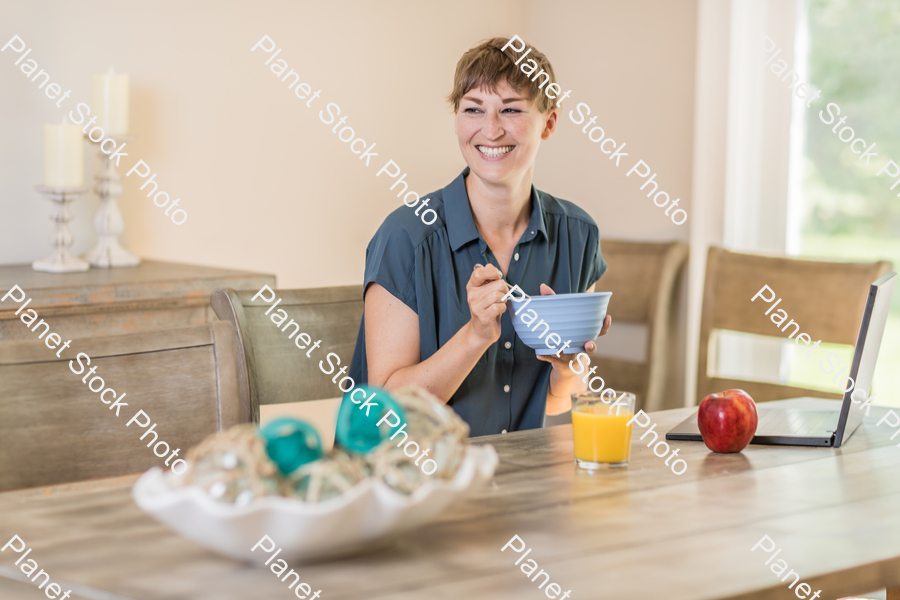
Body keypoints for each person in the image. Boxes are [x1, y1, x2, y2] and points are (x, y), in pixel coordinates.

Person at [345, 37, 611, 436]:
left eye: (511, 110)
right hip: (407, 479)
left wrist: (568, 365)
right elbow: (382, 407)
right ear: (457, 118)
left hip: (516, 480)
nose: (491, 129)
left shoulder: (578, 235)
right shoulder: (406, 236)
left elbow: (555, 401)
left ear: (549, 123)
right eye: (473, 109)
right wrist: (475, 335)